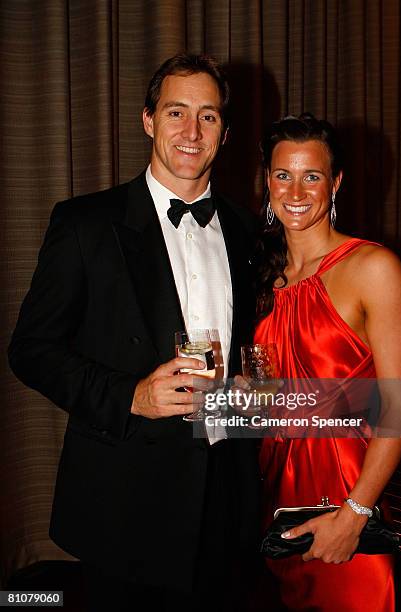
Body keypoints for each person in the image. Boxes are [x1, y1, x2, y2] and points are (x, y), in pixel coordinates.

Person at [8, 53, 259, 611]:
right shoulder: (85, 224)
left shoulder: (247, 230)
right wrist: (131, 396)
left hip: (226, 495)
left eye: (209, 116)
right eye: (176, 113)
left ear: (225, 130)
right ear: (148, 120)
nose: (191, 132)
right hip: (123, 497)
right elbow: (30, 350)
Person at [253, 113, 401, 611]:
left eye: (312, 176)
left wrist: (356, 513)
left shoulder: (373, 268)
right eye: (283, 175)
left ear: (336, 182)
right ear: (267, 181)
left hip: (344, 498)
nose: (296, 191)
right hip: (269, 493)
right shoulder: (261, 276)